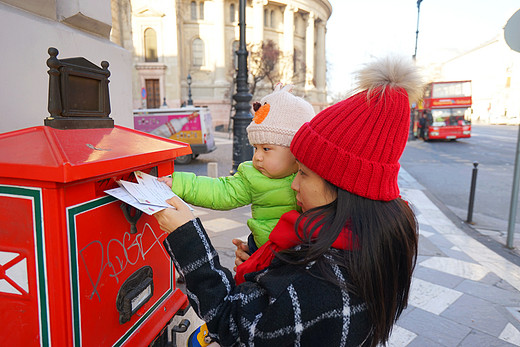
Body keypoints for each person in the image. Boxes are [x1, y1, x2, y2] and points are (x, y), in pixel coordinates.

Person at [154, 56, 421, 346]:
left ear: (342, 186)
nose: (294, 184)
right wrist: (266, 268)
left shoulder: (321, 281)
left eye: (304, 174)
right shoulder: (375, 243)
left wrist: (187, 237)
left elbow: (235, 326)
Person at [160, 84, 315, 255]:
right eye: (256, 148)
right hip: (268, 251)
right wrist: (180, 184)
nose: (257, 157)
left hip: (305, 251)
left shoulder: (315, 175)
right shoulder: (252, 176)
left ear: (295, 150)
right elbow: (221, 191)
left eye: (266, 149)